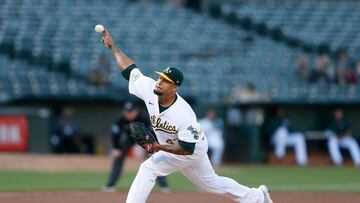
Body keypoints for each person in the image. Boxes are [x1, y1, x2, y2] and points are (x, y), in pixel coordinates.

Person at [99, 27, 273, 203]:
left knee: (148, 168)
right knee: (211, 184)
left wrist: (158, 148)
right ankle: (257, 197)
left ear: (174, 88)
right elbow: (130, 70)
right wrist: (114, 48)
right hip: (180, 146)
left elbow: (187, 149)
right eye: (160, 77)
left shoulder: (183, 113)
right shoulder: (149, 89)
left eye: (165, 81)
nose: (159, 82)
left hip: (190, 149)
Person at [102, 101, 170, 193]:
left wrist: (153, 147)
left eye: (130, 112)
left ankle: (164, 185)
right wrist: (116, 148)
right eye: (126, 111)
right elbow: (115, 134)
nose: (128, 114)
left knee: (155, 158)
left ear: (136, 111)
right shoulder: (121, 119)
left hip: (145, 139)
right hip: (130, 139)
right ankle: (110, 185)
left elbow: (153, 133)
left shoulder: (143, 119)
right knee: (119, 156)